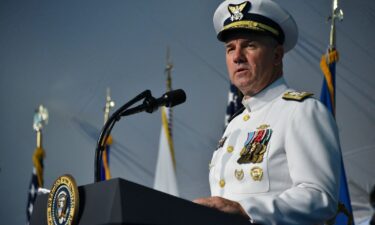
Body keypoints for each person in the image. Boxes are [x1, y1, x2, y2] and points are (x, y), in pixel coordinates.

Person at [194, 0, 341, 224]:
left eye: (249, 45)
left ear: (276, 55)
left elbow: (320, 196)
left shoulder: (302, 111)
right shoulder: (234, 126)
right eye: (230, 48)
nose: (237, 57)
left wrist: (246, 209)